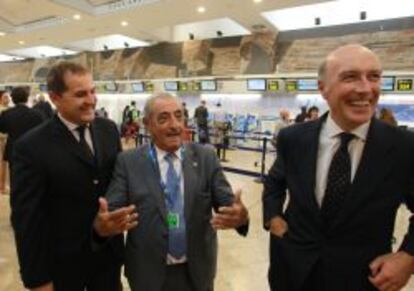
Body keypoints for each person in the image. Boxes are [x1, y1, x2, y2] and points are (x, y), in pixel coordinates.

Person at [263, 44, 414, 291]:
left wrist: (408, 256)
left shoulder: (404, 147)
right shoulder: (294, 138)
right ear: (323, 88)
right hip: (292, 270)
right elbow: (275, 182)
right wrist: (273, 218)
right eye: (350, 77)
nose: (365, 88)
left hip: (361, 279)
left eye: (373, 76)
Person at [94, 92, 249, 291]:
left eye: (179, 115)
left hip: (197, 272)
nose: (175, 125)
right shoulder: (129, 162)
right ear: (147, 124)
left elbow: (229, 205)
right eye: (164, 118)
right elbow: (111, 213)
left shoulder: (205, 157)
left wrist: (241, 216)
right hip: (147, 273)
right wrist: (102, 225)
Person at [11, 62, 124, 291]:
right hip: (62, 268)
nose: (91, 100)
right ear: (55, 98)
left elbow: (118, 185)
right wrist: (38, 280)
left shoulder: (108, 130)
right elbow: (26, 220)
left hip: (107, 262)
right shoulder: (31, 147)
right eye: (81, 94)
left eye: (93, 91)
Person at [0, 87, 44, 169]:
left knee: (14, 176)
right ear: (27, 99)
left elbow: (3, 129)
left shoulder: (6, 114)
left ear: (12, 99)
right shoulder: (37, 114)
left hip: (13, 150)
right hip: (32, 150)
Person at [0, 90, 10, 194]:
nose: (8, 99)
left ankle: (3, 185)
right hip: (2, 140)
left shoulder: (7, 110)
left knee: (4, 163)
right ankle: (2, 186)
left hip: (5, 139)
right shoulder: (2, 110)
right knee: (3, 163)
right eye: (5, 97)